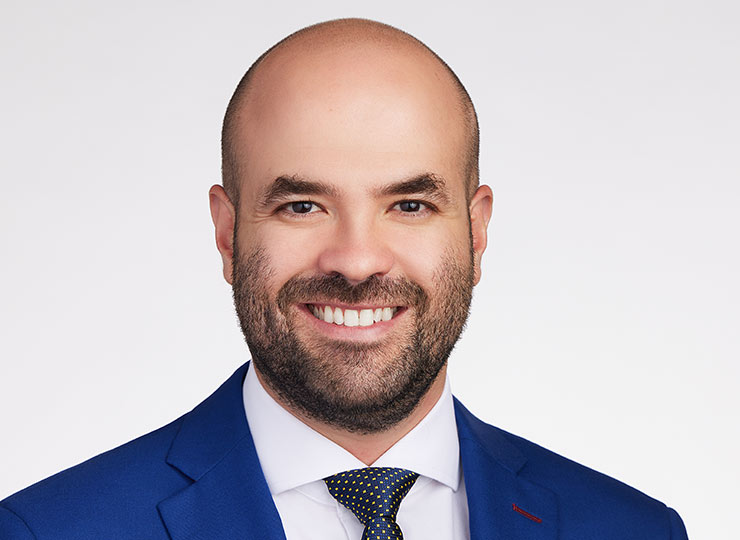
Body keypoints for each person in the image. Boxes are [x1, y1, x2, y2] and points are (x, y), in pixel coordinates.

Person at [0, 18, 687, 540]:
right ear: (228, 234)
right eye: (303, 206)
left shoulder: (634, 530)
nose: (356, 261)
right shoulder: (46, 531)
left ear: (477, 234)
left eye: (409, 205)